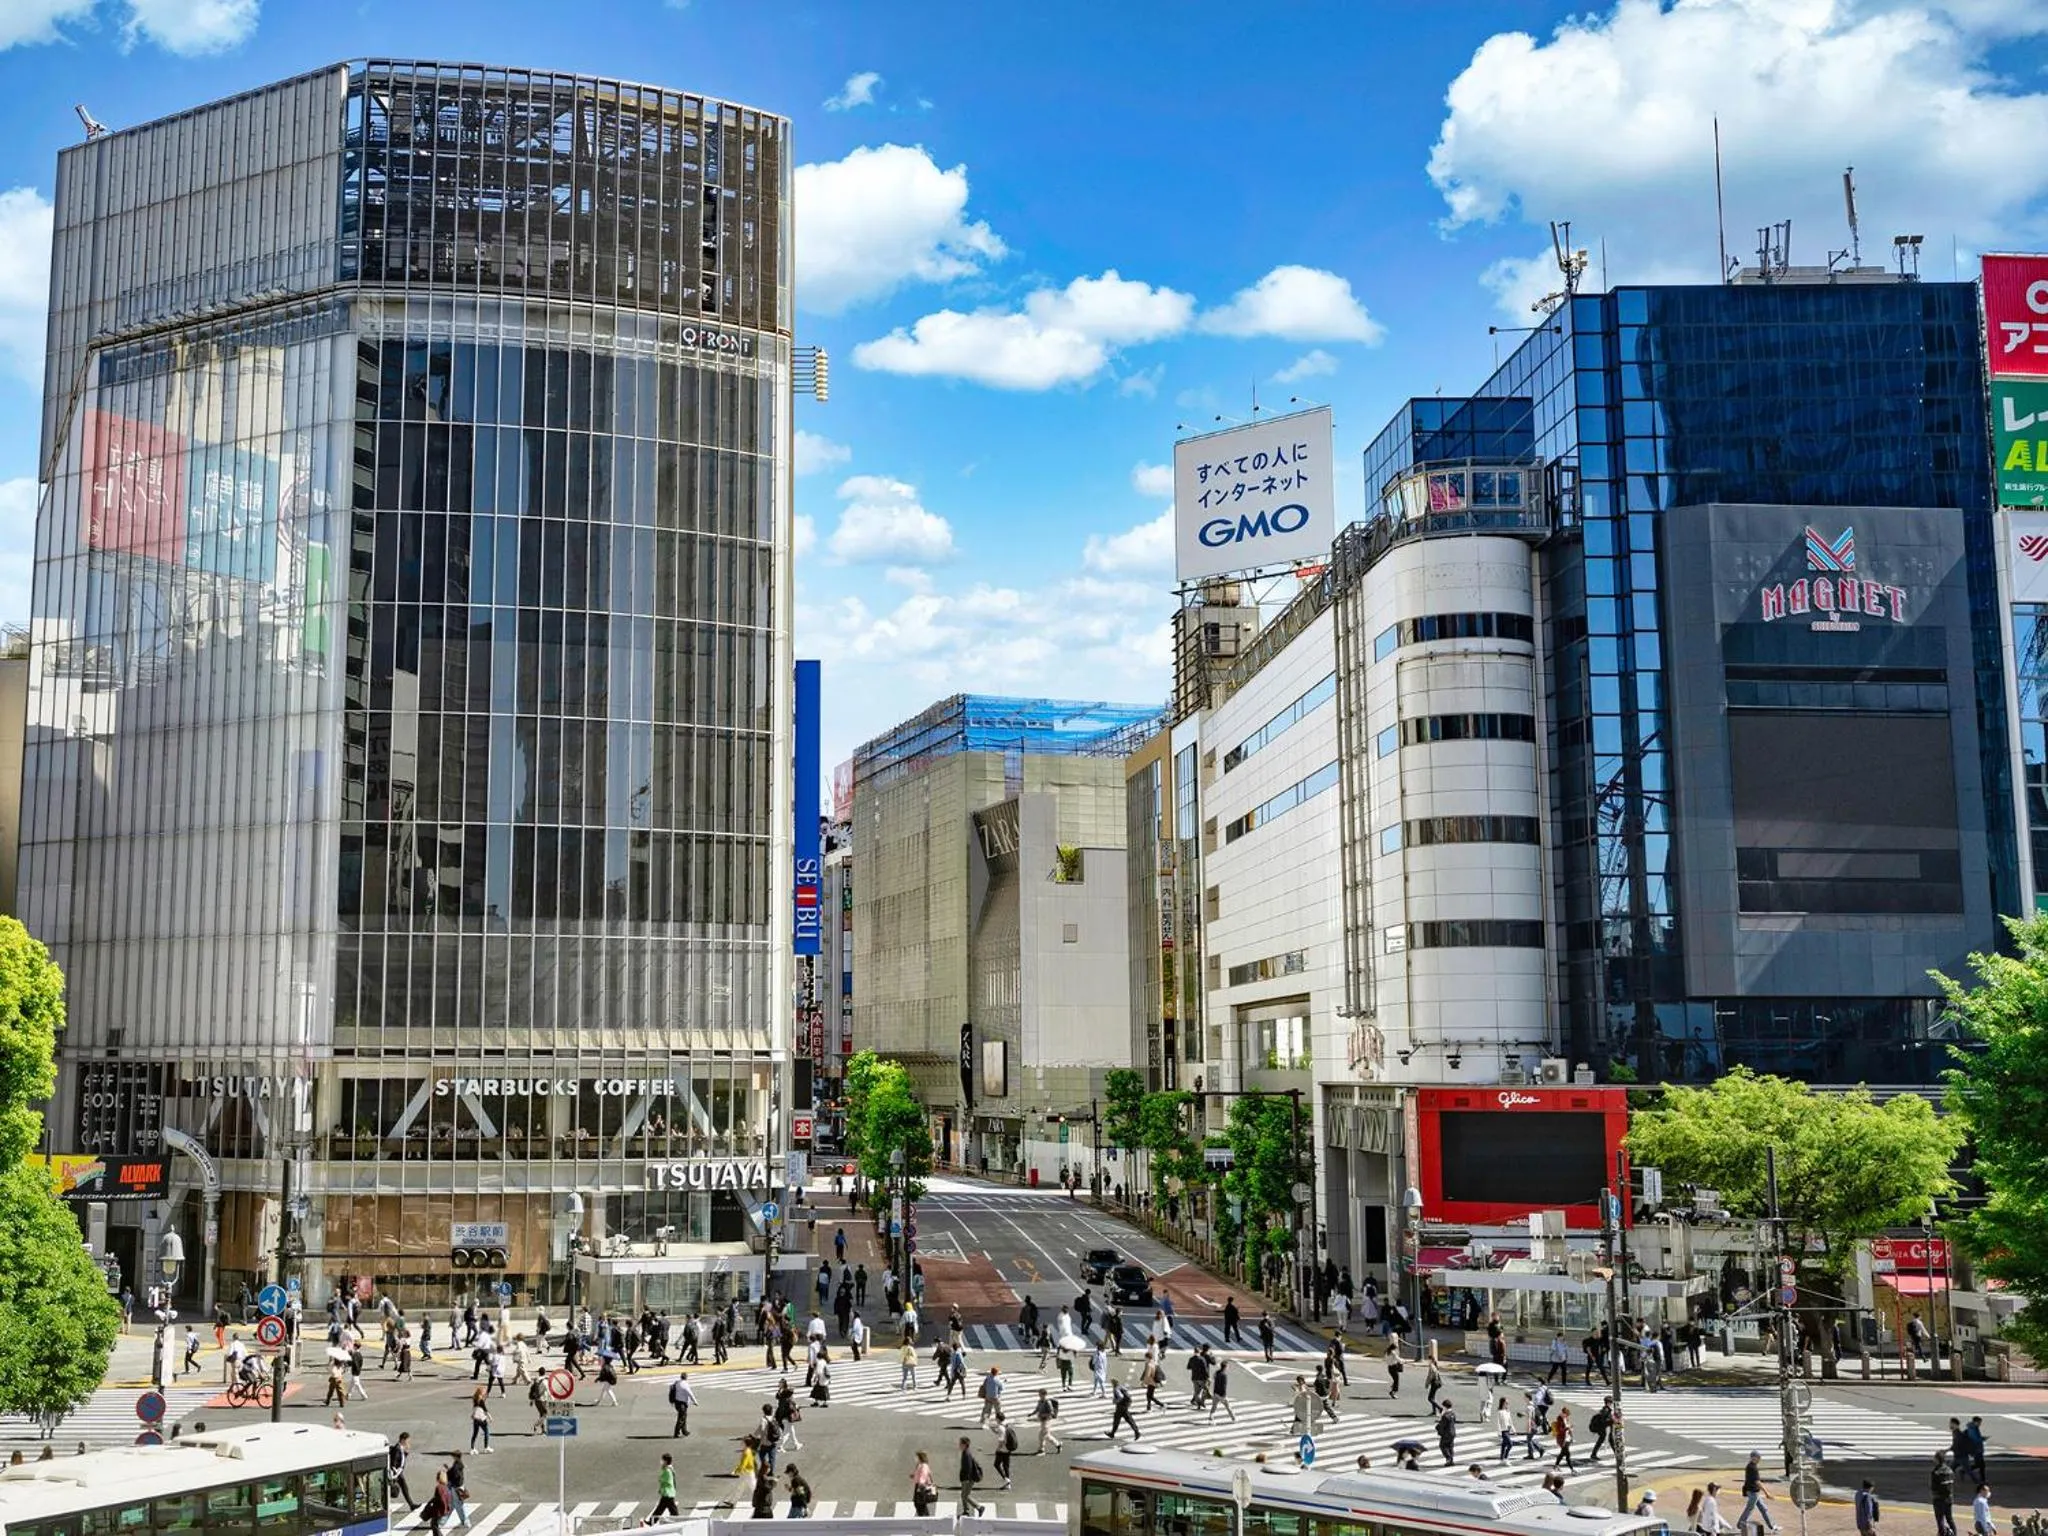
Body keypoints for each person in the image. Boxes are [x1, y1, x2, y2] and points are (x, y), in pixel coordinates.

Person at [1738, 1450, 1778, 1534]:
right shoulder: (1753, 1468)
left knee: (1763, 1509)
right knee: (1749, 1509)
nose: (1760, 1459)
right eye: (1759, 1457)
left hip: (1752, 1492)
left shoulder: (1749, 1466)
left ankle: (1772, 1526)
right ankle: (1740, 1524)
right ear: (1755, 1458)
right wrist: (1767, 1493)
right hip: (1753, 1493)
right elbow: (1757, 1482)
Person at [957, 1436, 987, 1517]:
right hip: (967, 1478)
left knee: (965, 1495)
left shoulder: (966, 1454)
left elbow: (968, 1468)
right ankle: (966, 1511)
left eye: (960, 1443)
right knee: (964, 1495)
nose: (959, 1445)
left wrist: (966, 1479)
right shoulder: (965, 1452)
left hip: (968, 1479)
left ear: (964, 1445)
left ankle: (979, 1507)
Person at [648, 1453, 681, 1524]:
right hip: (668, 1493)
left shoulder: (667, 1471)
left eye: (662, 1460)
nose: (661, 1461)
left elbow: (665, 1480)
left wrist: (661, 1481)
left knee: (670, 1510)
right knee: (662, 1508)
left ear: (665, 1461)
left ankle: (679, 1521)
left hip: (668, 1493)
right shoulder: (669, 1469)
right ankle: (651, 1521)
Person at [388, 1434, 417, 1513]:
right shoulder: (397, 1449)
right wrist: (395, 1475)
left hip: (399, 1473)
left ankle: (411, 1505)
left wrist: (406, 1452)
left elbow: (402, 1460)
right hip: (395, 1473)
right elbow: (393, 1463)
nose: (408, 1443)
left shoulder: (401, 1448)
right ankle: (386, 1507)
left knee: (405, 1488)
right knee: (392, 1491)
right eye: (407, 1441)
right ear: (403, 1440)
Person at [1931, 1452, 1958, 1536]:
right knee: (1949, 1518)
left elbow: (1933, 1487)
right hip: (1949, 1498)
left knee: (1940, 1520)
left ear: (1938, 1460)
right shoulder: (1949, 1470)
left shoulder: (1936, 1472)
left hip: (1939, 1498)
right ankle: (1955, 1534)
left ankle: (1942, 1534)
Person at [445, 1452, 471, 1531]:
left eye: (453, 1456)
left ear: (456, 1456)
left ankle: (465, 1521)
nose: (452, 1457)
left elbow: (455, 1475)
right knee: (452, 1504)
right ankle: (442, 1521)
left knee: (458, 1505)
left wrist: (448, 1474)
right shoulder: (459, 1463)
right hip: (458, 1487)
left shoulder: (456, 1465)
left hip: (456, 1487)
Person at [1033, 1387, 1062, 1453]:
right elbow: (1037, 1408)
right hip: (1042, 1420)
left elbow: (1051, 1412)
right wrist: (1032, 1413)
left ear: (1044, 1394)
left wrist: (1043, 1415)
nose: (1039, 1395)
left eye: (1040, 1394)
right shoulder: (1040, 1401)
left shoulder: (1047, 1402)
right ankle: (1056, 1445)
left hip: (1047, 1420)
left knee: (1043, 1435)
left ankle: (1043, 1448)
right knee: (1044, 1435)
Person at [910, 1451, 937, 1517]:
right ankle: (925, 1517)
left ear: (920, 1457)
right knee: (920, 1503)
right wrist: (914, 1476)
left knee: (919, 1503)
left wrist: (921, 1483)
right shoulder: (920, 1465)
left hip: (921, 1486)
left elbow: (923, 1475)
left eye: (916, 1457)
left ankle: (924, 1517)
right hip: (919, 1485)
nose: (915, 1458)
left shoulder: (924, 1465)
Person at [669, 1372, 696, 1437]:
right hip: (682, 1404)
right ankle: (676, 1432)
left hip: (677, 1402)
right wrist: (695, 1401)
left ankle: (684, 1431)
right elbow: (690, 1393)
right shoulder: (684, 1384)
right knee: (681, 1418)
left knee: (683, 1417)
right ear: (686, 1377)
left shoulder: (677, 1383)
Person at [469, 1388, 492, 1452]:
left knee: (475, 1434)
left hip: (475, 1419)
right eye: (484, 1391)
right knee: (486, 1432)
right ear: (481, 1392)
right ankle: (486, 1447)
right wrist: (490, 1417)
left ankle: (472, 1448)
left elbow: (475, 1408)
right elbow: (485, 1410)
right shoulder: (481, 1400)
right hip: (481, 1419)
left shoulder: (475, 1399)